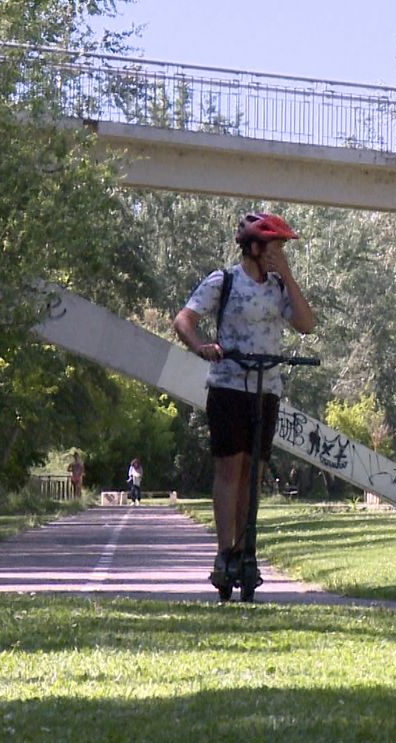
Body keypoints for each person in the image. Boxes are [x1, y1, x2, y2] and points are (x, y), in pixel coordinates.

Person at [172, 211, 316, 594]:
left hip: (265, 389)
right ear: (254, 247)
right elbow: (184, 320)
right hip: (228, 384)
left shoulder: (278, 287)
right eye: (275, 247)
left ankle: (245, 548)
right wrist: (201, 346)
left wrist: (287, 272)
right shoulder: (226, 280)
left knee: (253, 470)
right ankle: (225, 552)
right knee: (230, 469)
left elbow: (306, 323)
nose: (278, 254)